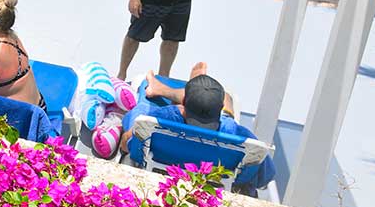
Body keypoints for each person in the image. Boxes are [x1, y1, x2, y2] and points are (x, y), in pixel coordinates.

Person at [118, 68, 275, 193]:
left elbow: (129, 145)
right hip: (217, 163)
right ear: (219, 109)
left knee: (141, 109)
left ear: (184, 102)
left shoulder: (159, 118)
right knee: (227, 97)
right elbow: (264, 177)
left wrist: (125, 139)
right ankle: (201, 95)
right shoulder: (239, 134)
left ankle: (167, 90)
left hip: (163, 156)